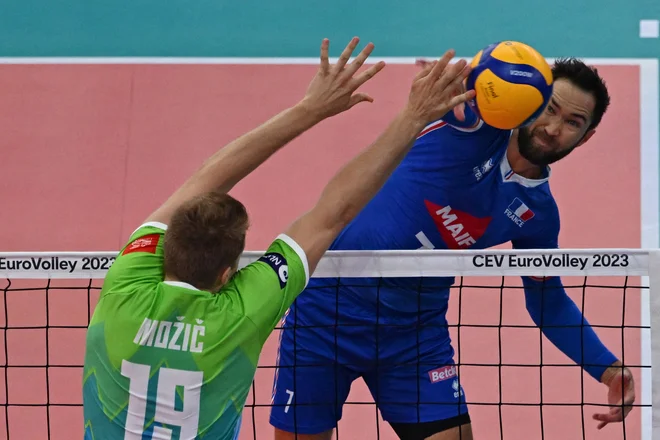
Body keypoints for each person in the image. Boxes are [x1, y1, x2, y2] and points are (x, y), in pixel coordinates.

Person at [81, 36, 476, 440]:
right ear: (226, 275)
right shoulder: (242, 311)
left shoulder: (124, 286)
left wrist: (308, 110)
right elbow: (333, 212)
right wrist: (411, 116)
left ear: (165, 249)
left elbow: (206, 178)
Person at [269, 56, 637, 440]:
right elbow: (470, 97)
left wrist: (607, 368)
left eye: (573, 123)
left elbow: (547, 300)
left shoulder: (538, 215)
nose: (552, 128)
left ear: (586, 136)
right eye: (549, 109)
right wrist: (458, 86)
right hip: (328, 314)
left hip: (413, 335)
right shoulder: (473, 129)